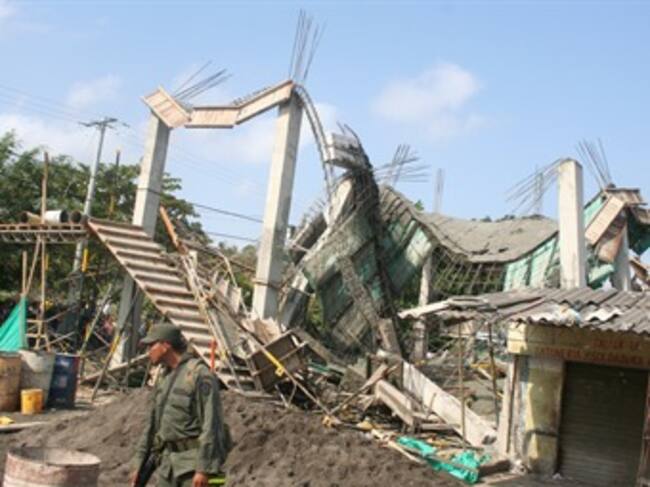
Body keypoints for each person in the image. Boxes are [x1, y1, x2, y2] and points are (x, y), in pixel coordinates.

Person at [130, 323, 231, 487]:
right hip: (168, 466)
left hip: (193, 469)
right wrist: (139, 463)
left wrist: (204, 469)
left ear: (166, 346)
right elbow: (152, 425)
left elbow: (212, 424)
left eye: (151, 346)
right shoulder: (165, 377)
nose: (148, 352)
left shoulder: (199, 375)